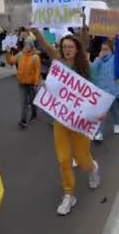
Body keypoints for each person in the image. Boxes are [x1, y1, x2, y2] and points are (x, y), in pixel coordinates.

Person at [31, 27, 101, 216]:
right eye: (64, 47)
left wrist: (99, 111)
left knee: (83, 161)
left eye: (71, 46)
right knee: (63, 160)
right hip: (61, 120)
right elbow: (46, 48)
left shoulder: (86, 67)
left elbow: (96, 93)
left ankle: (93, 168)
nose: (67, 49)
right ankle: (69, 195)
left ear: (77, 49)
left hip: (80, 122)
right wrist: (37, 33)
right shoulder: (58, 64)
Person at [91, 38, 119, 142]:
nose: (103, 51)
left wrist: (116, 37)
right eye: (102, 49)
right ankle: (100, 133)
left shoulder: (115, 59)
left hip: (112, 91)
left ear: (111, 50)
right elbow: (92, 70)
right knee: (101, 113)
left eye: (106, 49)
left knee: (115, 111)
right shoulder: (98, 60)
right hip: (101, 91)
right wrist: (98, 59)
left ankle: (117, 123)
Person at [6, 39, 41, 128]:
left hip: (31, 83)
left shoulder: (35, 57)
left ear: (32, 47)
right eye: (25, 45)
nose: (26, 47)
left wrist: (36, 82)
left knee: (32, 100)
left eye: (28, 45)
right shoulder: (20, 55)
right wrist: (8, 53)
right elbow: (10, 61)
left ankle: (34, 113)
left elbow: (37, 71)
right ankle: (23, 120)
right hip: (21, 82)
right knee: (24, 101)